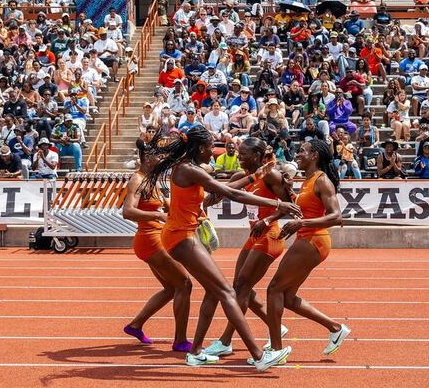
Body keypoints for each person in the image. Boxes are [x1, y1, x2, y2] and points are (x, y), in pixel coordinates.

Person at [139, 126, 301, 370]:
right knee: (227, 291)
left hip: (182, 235)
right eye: (209, 147)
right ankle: (259, 356)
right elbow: (230, 192)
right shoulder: (190, 170)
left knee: (215, 292)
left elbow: (230, 187)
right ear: (200, 148)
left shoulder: (186, 168)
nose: (213, 152)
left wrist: (256, 176)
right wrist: (276, 203)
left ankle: (195, 351)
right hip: (181, 237)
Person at [200, 138, 293, 358]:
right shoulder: (240, 177)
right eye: (239, 154)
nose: (239, 158)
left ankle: (225, 341)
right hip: (253, 236)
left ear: (259, 156)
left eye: (244, 155)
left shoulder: (272, 176)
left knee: (241, 288)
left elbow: (290, 206)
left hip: (270, 236)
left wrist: (268, 220)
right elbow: (219, 195)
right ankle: (275, 327)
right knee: (239, 287)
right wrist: (210, 197)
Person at [265, 139, 349, 364]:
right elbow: (306, 210)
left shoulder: (322, 181)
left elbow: (336, 216)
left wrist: (301, 224)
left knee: (274, 290)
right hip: (308, 239)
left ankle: (275, 350)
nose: (297, 154)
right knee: (288, 298)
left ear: (315, 156)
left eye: (302, 151)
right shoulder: (308, 180)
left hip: (313, 241)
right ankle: (335, 328)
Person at [122, 146, 193, 352]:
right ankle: (180, 341)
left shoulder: (151, 180)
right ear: (145, 157)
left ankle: (135, 325)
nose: (161, 159)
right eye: (157, 155)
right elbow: (127, 211)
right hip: (150, 239)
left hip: (154, 237)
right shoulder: (137, 179)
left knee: (172, 288)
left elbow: (166, 206)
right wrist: (157, 216)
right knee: (184, 284)